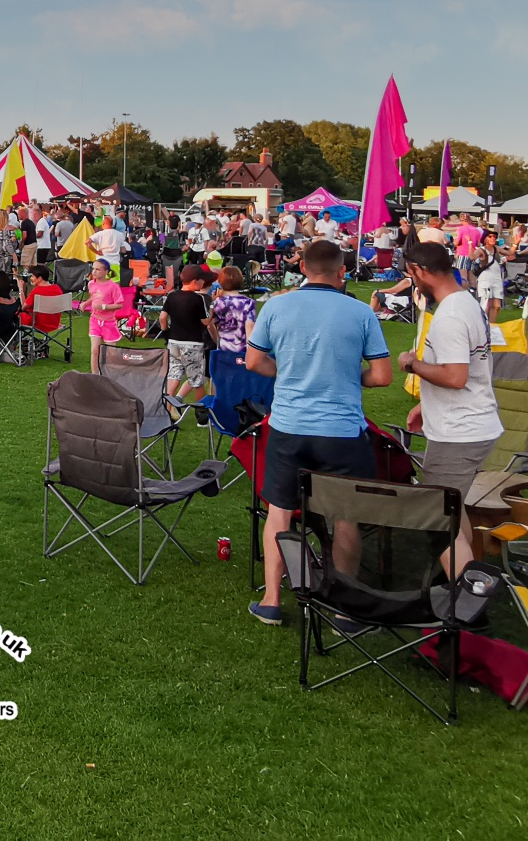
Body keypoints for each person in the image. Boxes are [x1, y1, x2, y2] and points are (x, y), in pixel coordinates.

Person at [245, 238, 393, 626]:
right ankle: (343, 603)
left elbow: (253, 360)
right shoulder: (361, 313)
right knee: (345, 515)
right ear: (342, 271)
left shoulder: (276, 306)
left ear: (302, 268)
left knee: (279, 513)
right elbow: (382, 376)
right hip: (342, 430)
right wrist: (348, 376)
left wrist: (288, 373)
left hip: (289, 426)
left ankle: (272, 600)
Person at [395, 240, 501, 573]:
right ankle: (468, 581)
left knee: (438, 520)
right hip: (470, 424)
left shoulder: (450, 317)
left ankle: (466, 604)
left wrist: (412, 365)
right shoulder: (465, 303)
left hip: (460, 433)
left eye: (411, 275)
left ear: (419, 271)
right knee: (453, 511)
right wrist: (427, 405)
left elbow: (456, 376)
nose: (412, 283)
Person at [161, 264, 215, 401]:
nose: (203, 283)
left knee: (174, 374)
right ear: (195, 281)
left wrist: (166, 334)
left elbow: (162, 318)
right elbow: (205, 322)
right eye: (202, 280)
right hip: (193, 343)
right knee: (197, 380)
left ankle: (168, 407)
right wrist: (213, 307)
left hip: (173, 341)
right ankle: (200, 413)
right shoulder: (198, 299)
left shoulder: (172, 296)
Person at [85, 259, 124, 371]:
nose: (94, 272)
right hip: (95, 320)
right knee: (94, 350)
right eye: (93, 269)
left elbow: (119, 305)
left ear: (106, 271)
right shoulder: (91, 284)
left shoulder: (113, 286)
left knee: (111, 352)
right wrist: (86, 303)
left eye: (98, 269)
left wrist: (103, 307)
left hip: (109, 322)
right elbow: (94, 296)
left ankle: (111, 374)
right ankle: (95, 374)